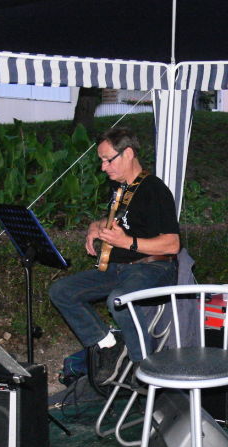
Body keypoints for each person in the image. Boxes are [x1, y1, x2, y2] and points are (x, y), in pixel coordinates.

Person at [49, 127, 180, 384]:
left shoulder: (154, 190)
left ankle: (146, 368)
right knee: (61, 291)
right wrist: (95, 227)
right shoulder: (120, 190)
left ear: (128, 153)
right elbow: (119, 223)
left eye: (107, 159)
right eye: (101, 160)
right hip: (119, 268)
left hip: (154, 268)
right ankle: (108, 345)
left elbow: (172, 245)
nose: (103, 167)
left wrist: (126, 242)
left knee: (119, 300)